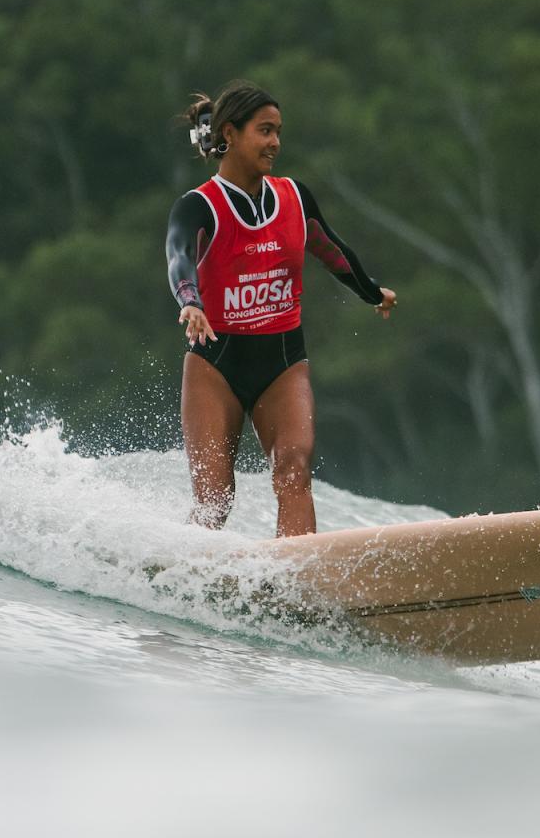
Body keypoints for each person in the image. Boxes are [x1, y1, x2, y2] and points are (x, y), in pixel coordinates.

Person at [165, 80, 396, 537]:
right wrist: (190, 302)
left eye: (278, 131)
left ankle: (297, 585)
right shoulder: (198, 206)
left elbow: (332, 250)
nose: (276, 142)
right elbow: (178, 257)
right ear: (229, 133)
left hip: (283, 361)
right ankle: (187, 578)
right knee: (215, 497)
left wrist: (372, 291)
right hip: (216, 362)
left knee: (293, 470)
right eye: (264, 131)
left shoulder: (293, 196)